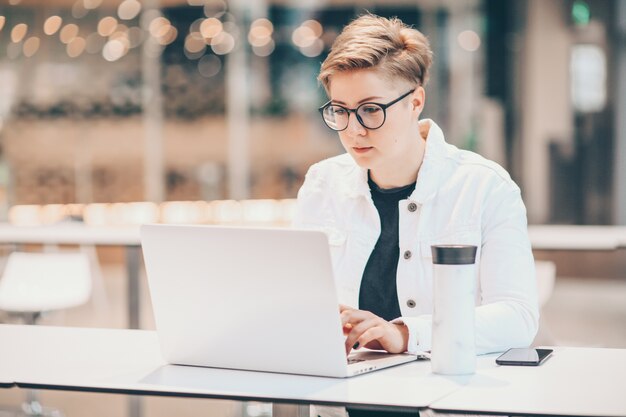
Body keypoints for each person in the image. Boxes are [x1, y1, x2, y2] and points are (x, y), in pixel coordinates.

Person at [293, 13, 539, 417]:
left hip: (447, 404)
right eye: (340, 110)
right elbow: (298, 298)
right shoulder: (323, 184)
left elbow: (517, 317)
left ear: (415, 102)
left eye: (370, 110)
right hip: (342, 404)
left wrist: (406, 333)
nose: (353, 130)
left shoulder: (483, 187)